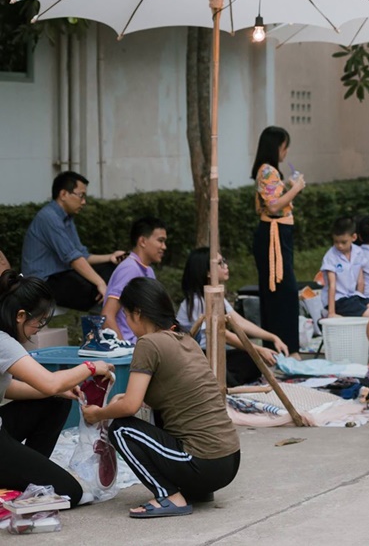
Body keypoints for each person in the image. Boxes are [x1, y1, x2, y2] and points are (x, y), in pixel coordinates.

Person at [84, 278, 241, 518]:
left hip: (204, 463)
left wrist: (98, 413)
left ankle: (168, 495)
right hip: (229, 460)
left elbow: (131, 406)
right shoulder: (185, 339)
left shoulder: (148, 343)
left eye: (126, 315)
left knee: (121, 430)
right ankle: (193, 489)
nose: (126, 321)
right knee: (152, 415)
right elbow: (171, 393)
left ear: (138, 313)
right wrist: (123, 401)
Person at [0, 270, 114, 507]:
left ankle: (29, 471)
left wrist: (56, 390)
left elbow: (8, 388)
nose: (39, 328)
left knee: (56, 399)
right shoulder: (3, 343)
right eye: (38, 321)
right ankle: (24, 476)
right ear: (20, 315)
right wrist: (92, 367)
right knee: (73, 493)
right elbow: (50, 382)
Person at [178, 248, 287, 388]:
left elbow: (239, 322)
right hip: (196, 357)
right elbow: (223, 335)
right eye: (220, 263)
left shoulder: (217, 296)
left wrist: (272, 337)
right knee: (242, 363)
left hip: (215, 352)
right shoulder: (197, 301)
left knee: (250, 361)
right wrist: (258, 350)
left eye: (224, 261)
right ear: (208, 272)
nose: (226, 266)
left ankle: (223, 381)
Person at [20, 171, 125, 310]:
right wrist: (100, 283)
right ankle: (104, 324)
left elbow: (81, 255)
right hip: (42, 282)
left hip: (61, 274)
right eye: (81, 196)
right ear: (63, 194)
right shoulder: (48, 217)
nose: (84, 202)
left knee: (113, 269)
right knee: (93, 289)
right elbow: (73, 259)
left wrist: (110, 257)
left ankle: (107, 317)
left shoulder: (67, 218)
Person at [251, 126, 305, 355]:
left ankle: (281, 348)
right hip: (273, 234)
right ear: (277, 147)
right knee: (284, 292)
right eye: (284, 146)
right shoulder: (267, 171)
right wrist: (297, 189)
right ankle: (285, 349)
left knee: (281, 292)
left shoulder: (270, 171)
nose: (286, 151)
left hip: (277, 234)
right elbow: (274, 206)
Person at [103, 216, 168, 342]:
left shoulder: (148, 270)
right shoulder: (129, 269)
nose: (164, 247)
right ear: (142, 241)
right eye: (160, 240)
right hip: (131, 349)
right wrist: (124, 350)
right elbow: (107, 315)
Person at [322, 216, 369, 318]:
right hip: (338, 300)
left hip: (353, 296)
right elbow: (332, 285)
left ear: (354, 237)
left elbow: (360, 281)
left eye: (343, 242)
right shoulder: (330, 257)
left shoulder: (358, 252)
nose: (339, 246)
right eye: (336, 242)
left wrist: (359, 299)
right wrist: (331, 313)